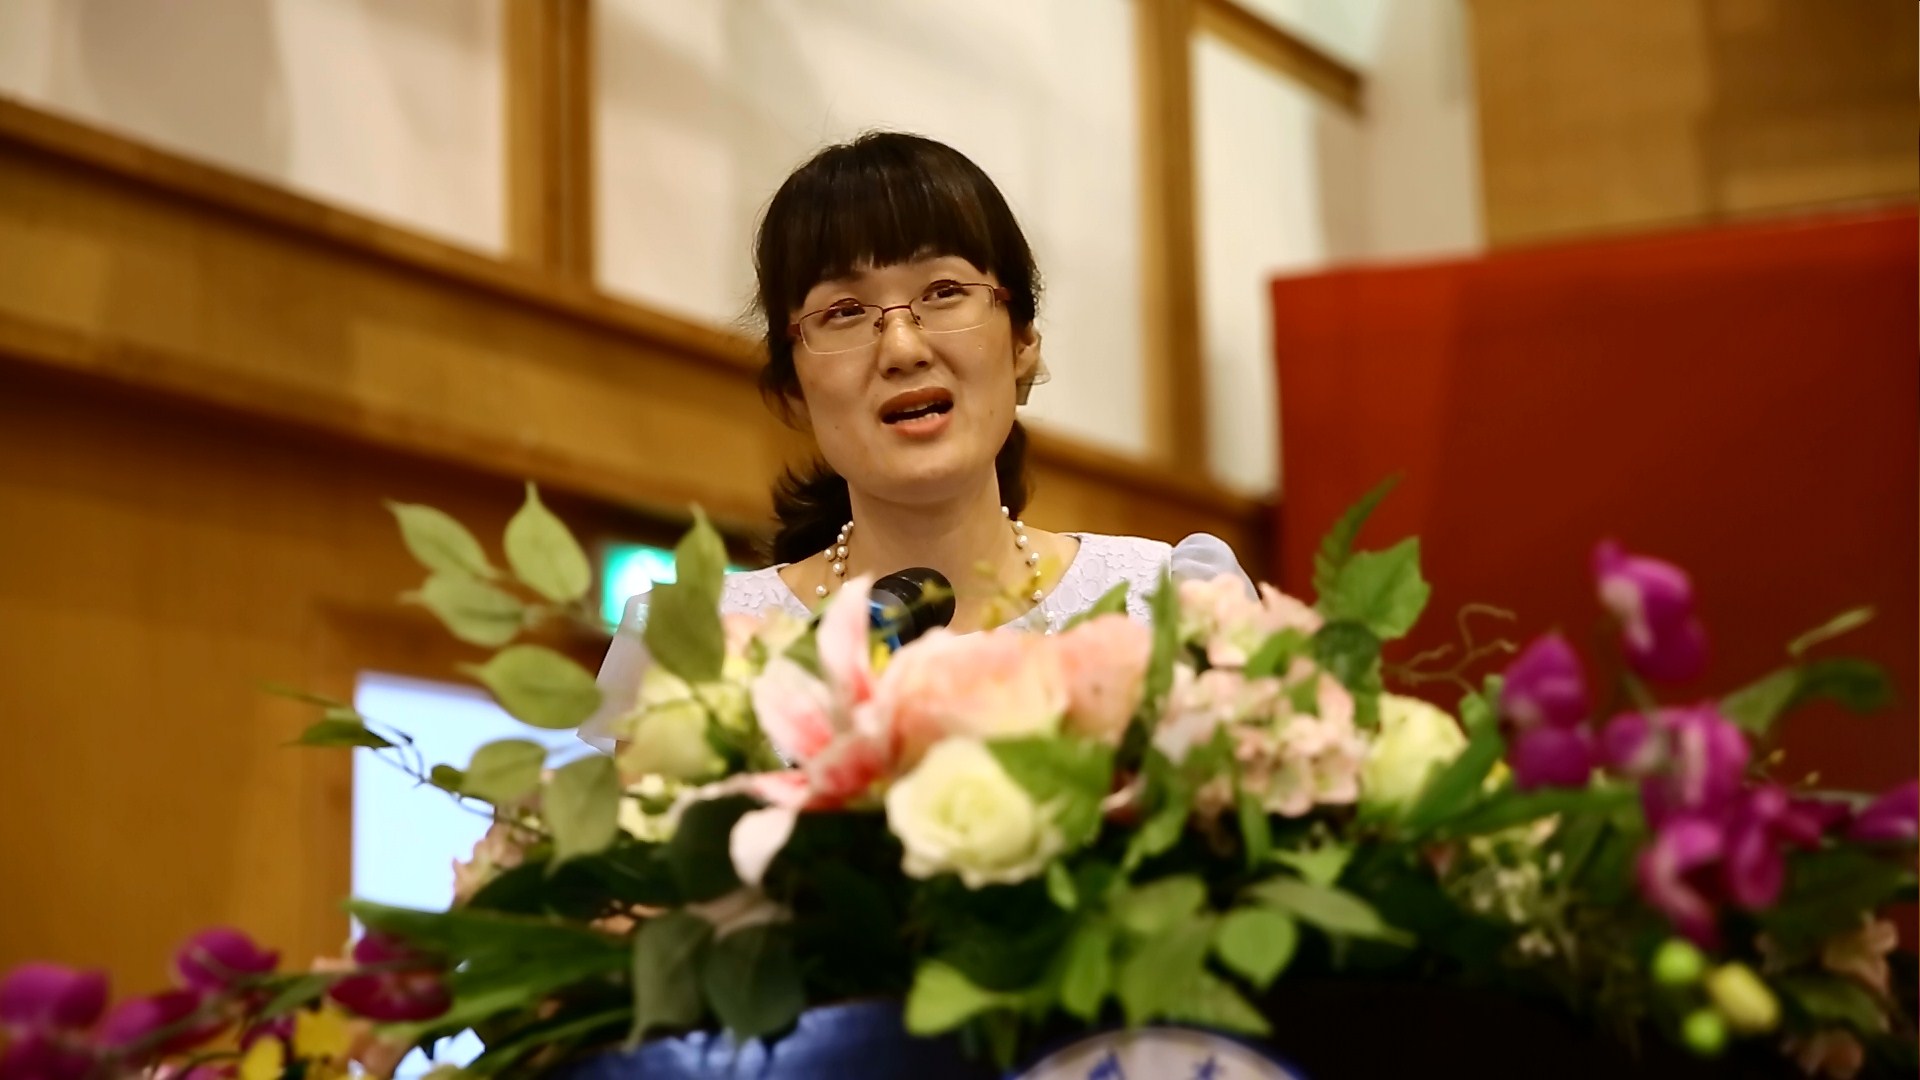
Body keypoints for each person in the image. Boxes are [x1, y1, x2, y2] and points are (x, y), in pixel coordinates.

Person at [584, 132, 1251, 748]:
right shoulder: (698, 649)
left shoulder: (1172, 605)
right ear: (793, 388)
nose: (902, 348)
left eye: (944, 291)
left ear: (1022, 341)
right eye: (845, 311)